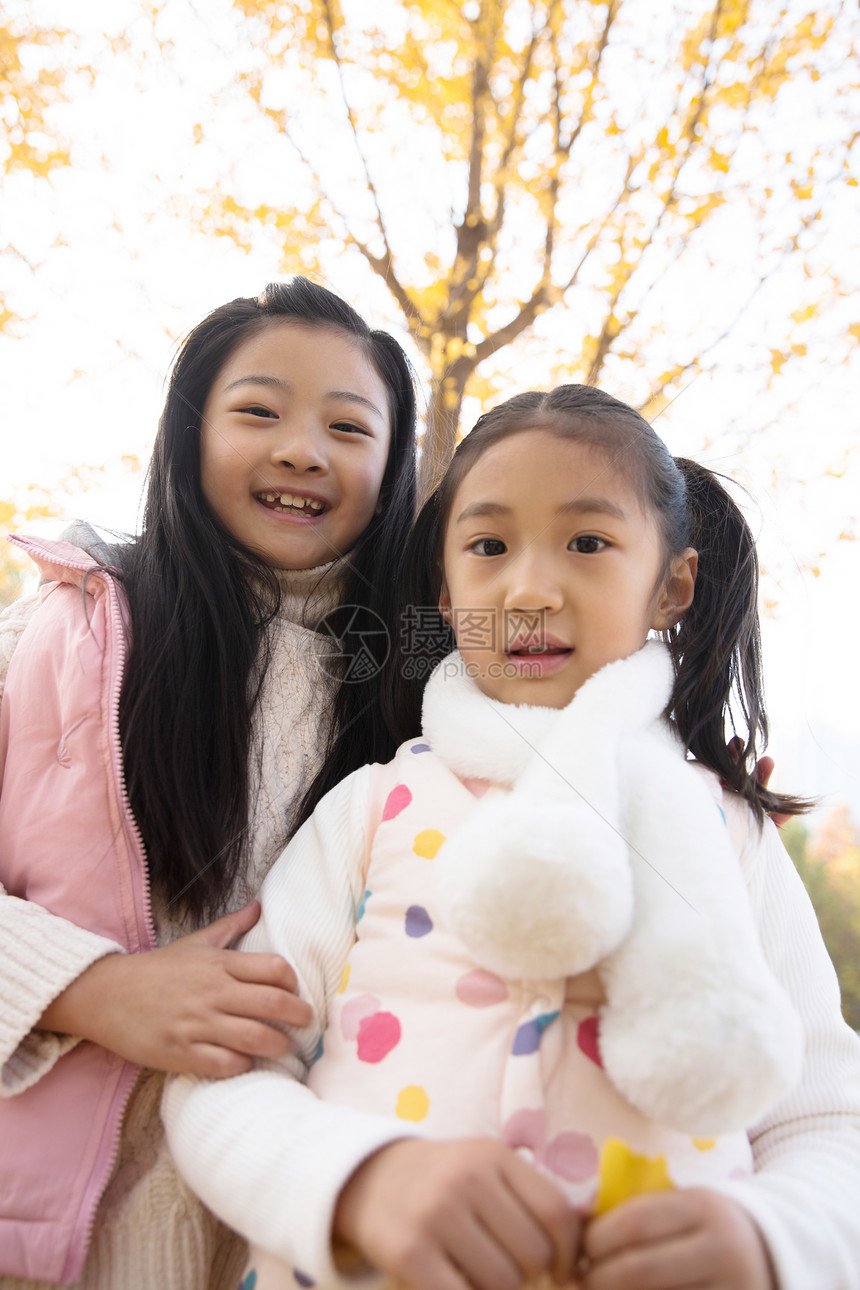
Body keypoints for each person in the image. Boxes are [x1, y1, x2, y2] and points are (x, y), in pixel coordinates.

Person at [164, 384, 860, 1290]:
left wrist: (771, 1243)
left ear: (672, 586)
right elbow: (219, 1076)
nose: (530, 588)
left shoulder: (726, 834)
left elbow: (827, 1119)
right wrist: (360, 1185)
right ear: (447, 597)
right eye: (489, 546)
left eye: (588, 542)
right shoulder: (375, 813)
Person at [0, 277, 418, 1289]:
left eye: (348, 427)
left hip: (290, 1234)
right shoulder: (67, 632)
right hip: (47, 1237)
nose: (302, 450)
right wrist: (92, 990)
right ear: (188, 437)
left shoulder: (418, 689)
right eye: (258, 410)